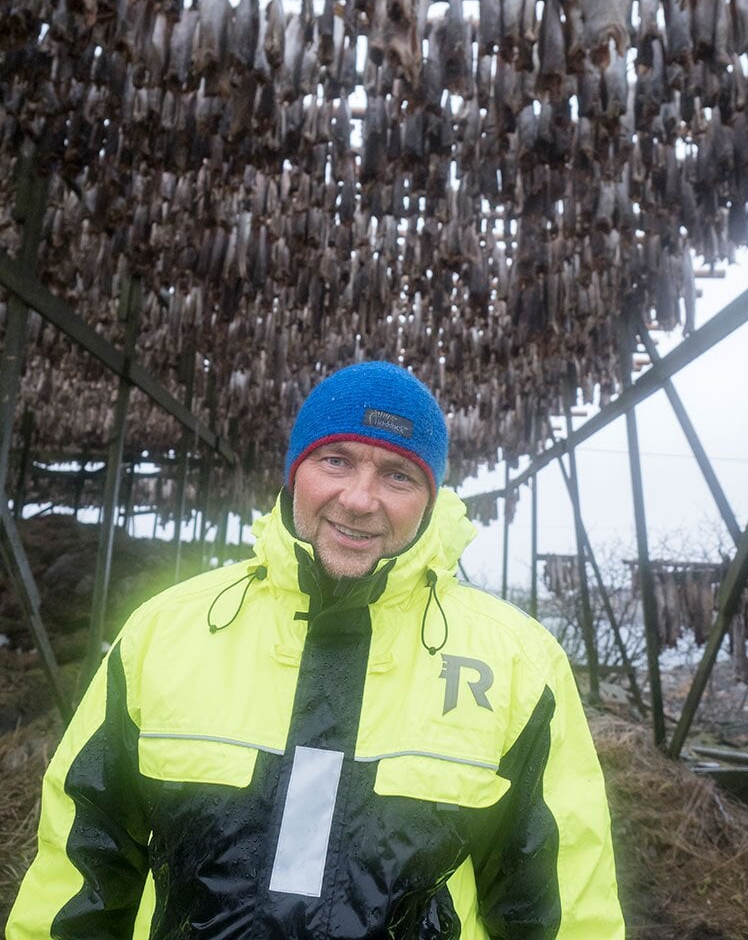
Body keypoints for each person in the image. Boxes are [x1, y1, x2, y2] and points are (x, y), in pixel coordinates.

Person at [8, 361, 625, 939]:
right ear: (294, 471)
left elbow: (561, 896)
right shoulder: (164, 633)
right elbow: (82, 861)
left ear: (431, 499)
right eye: (335, 460)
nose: (360, 499)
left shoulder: (518, 664)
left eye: (397, 474)